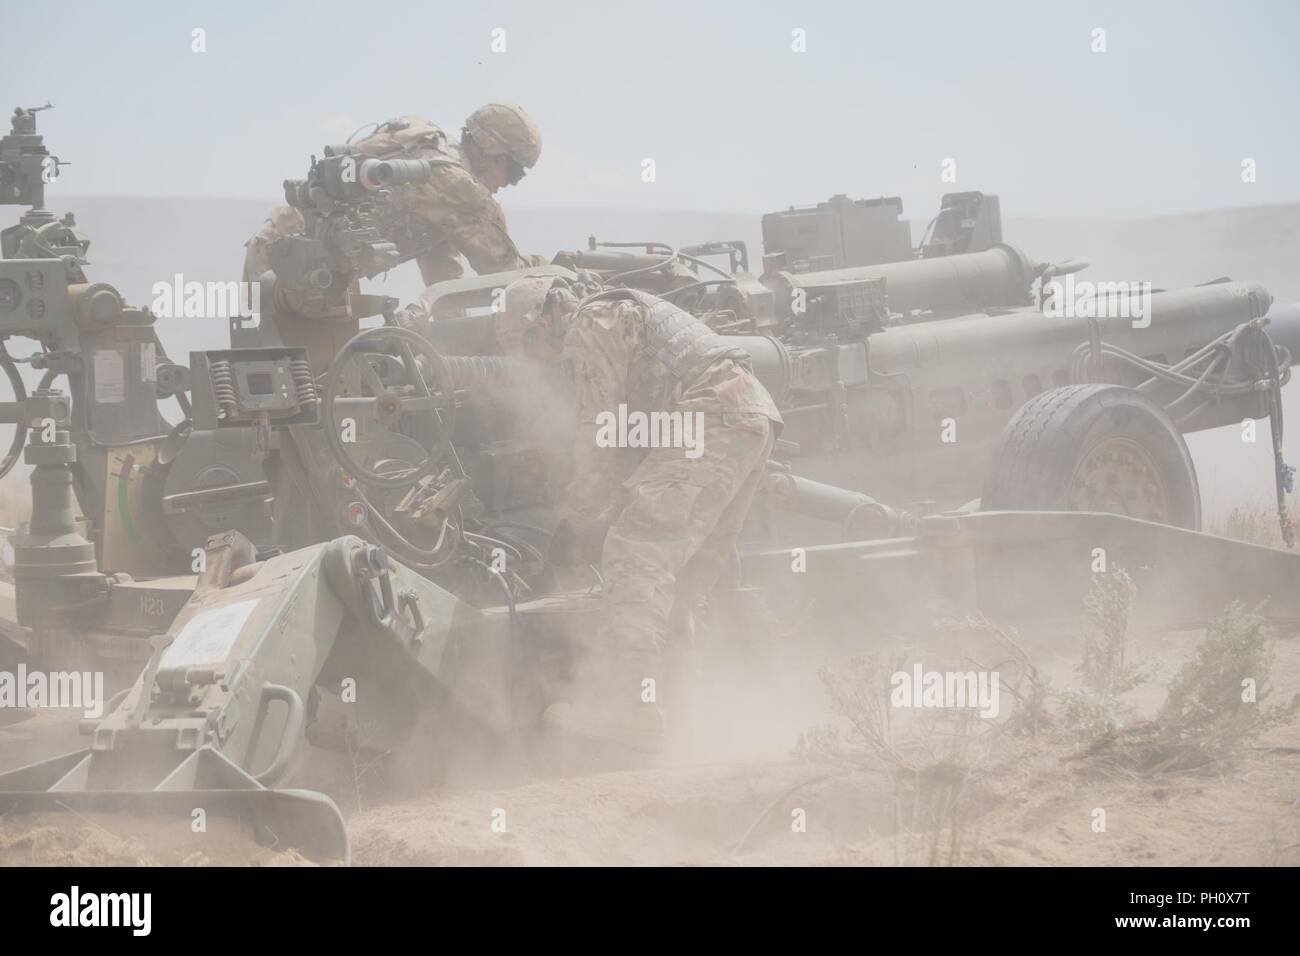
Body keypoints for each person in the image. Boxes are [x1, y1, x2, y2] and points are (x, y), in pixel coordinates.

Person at [499, 276, 784, 753]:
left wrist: (574, 520)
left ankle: (633, 706)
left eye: (529, 347)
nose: (539, 362)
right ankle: (679, 702)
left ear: (544, 320)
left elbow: (599, 434)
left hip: (711, 415)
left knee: (637, 551)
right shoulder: (619, 315)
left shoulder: (589, 324)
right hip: (749, 416)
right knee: (681, 576)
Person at [242, 103, 543, 288]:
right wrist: (553, 269)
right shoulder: (454, 185)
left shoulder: (435, 155)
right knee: (290, 376)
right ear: (490, 152)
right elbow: (504, 272)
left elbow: (443, 270)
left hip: (284, 251)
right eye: (515, 172)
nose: (511, 184)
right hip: (289, 264)